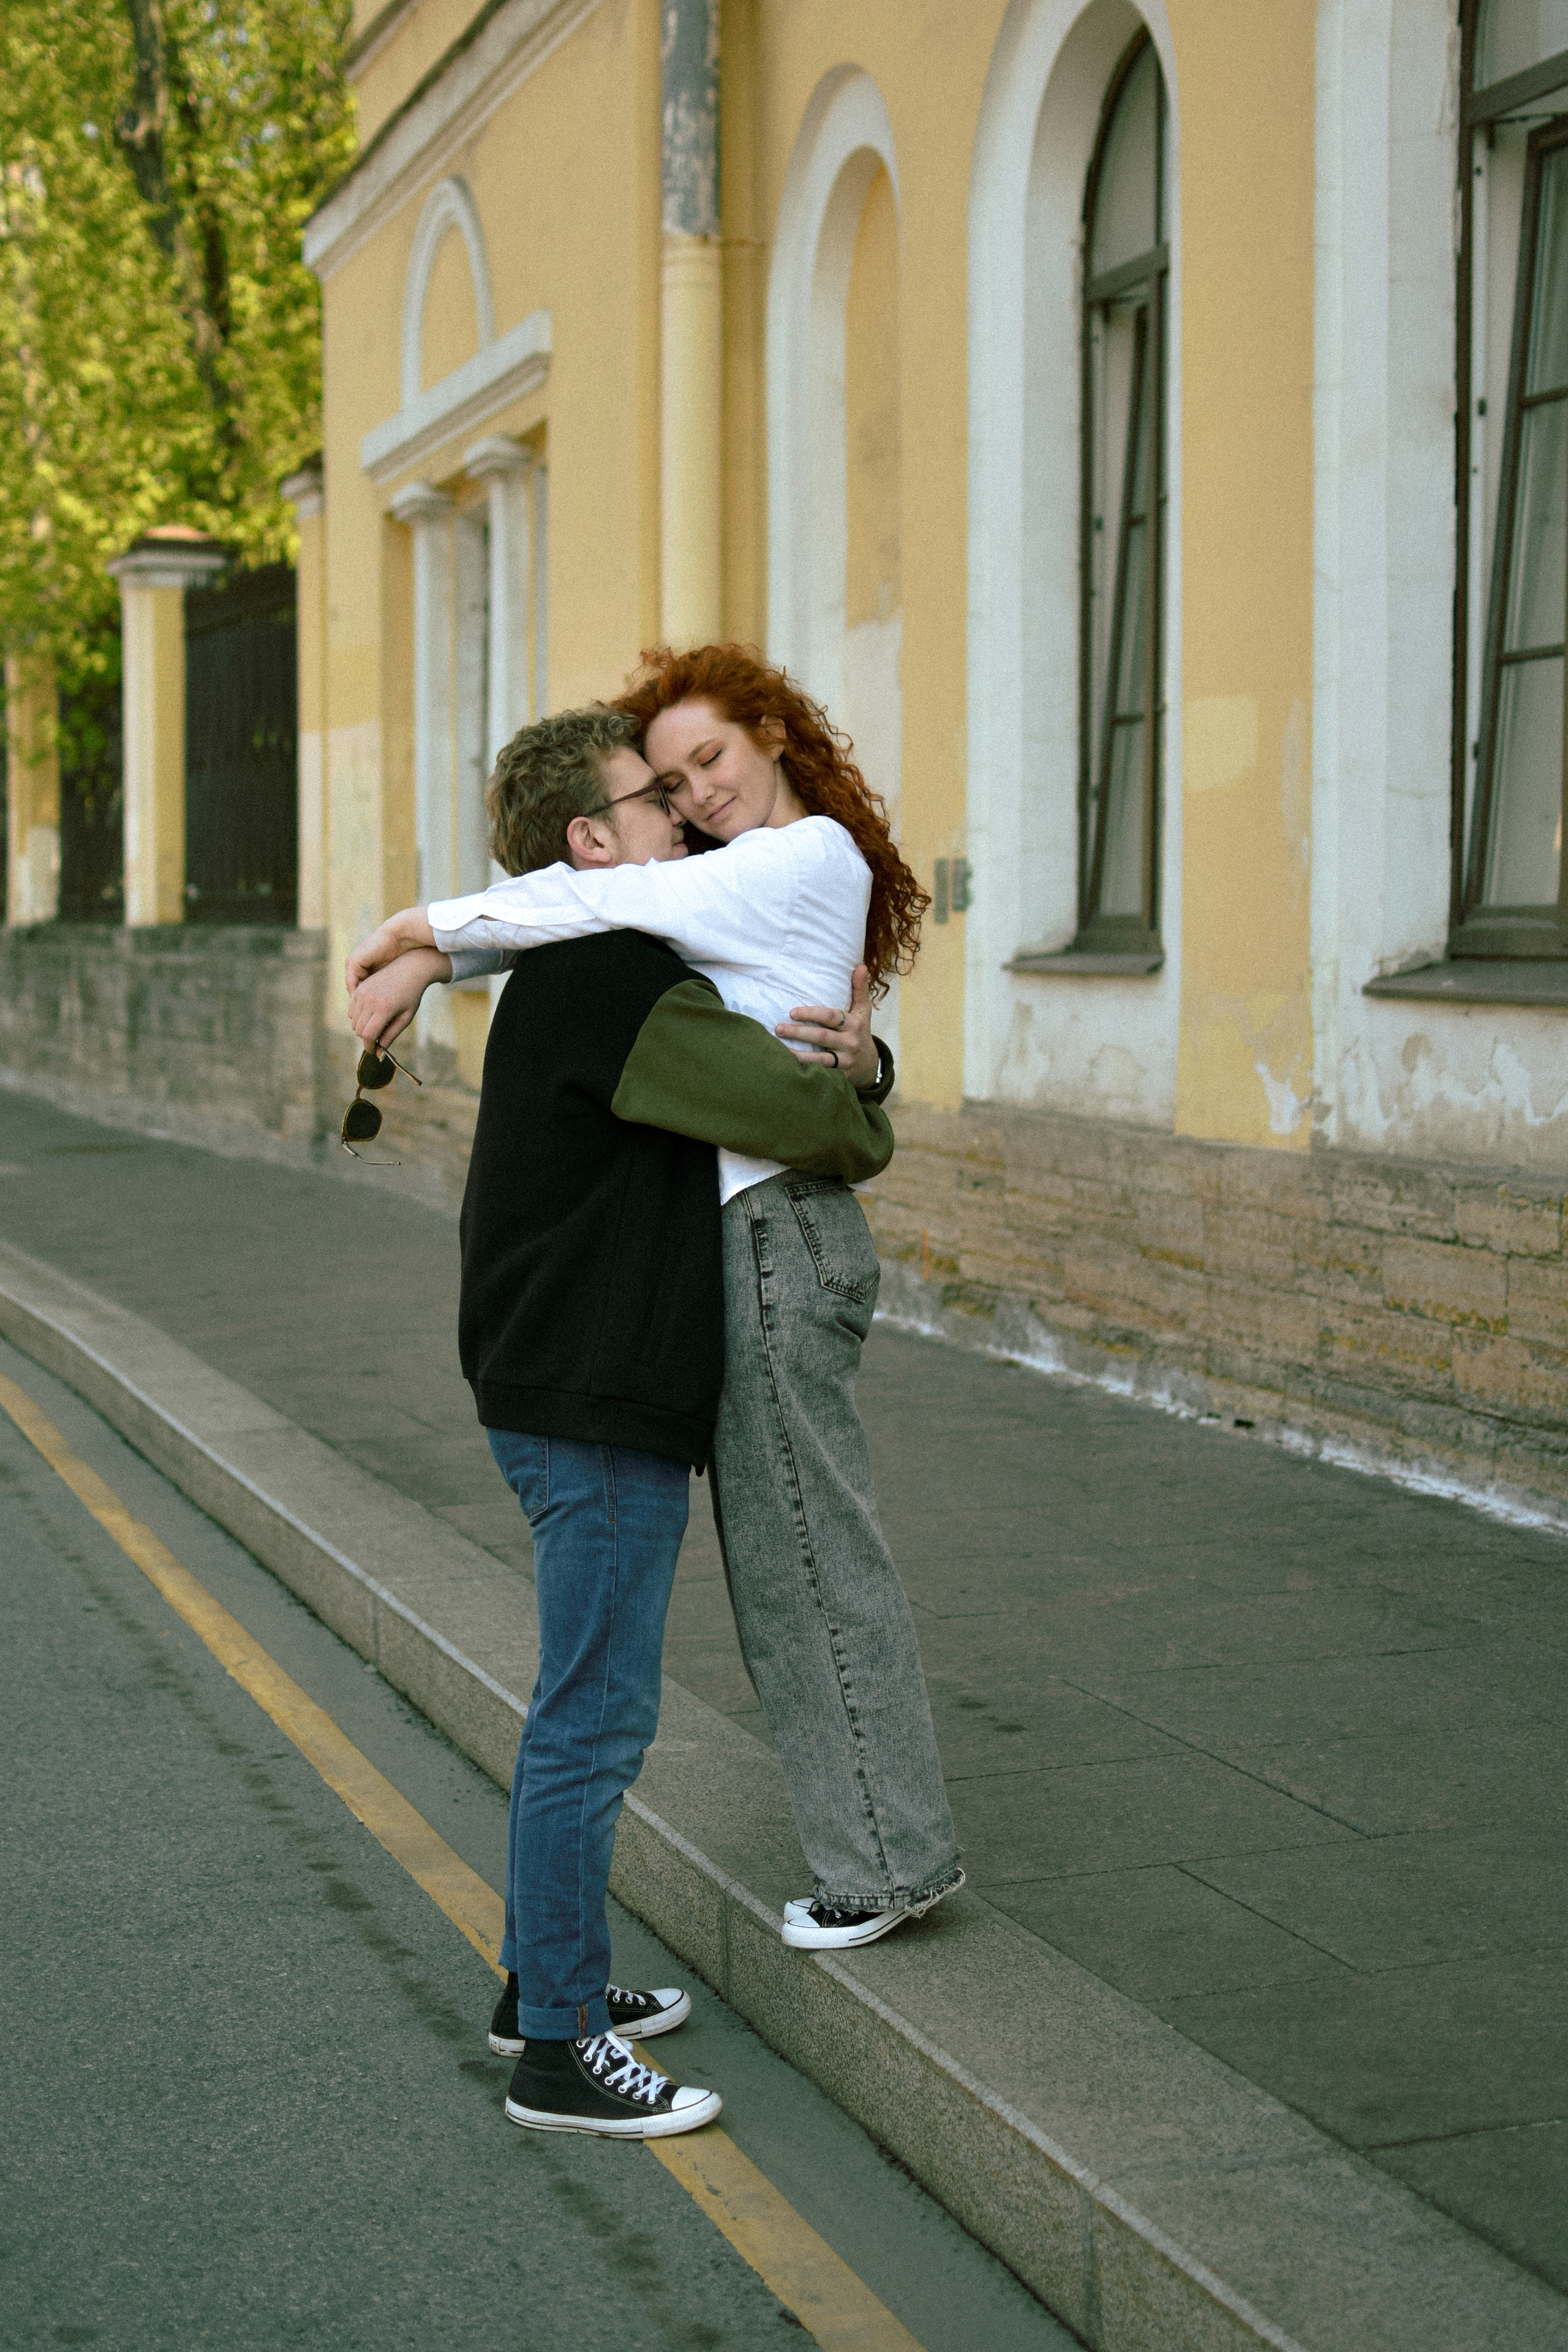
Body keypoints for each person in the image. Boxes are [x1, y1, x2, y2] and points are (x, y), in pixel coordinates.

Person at [349, 646, 962, 1956]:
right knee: (793, 1552)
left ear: (775, 737)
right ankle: (880, 1845)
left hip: (777, 1230)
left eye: (709, 763)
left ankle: (888, 1859)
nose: (689, 800)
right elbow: (585, 910)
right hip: (759, 1231)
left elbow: (581, 908)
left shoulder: (790, 859)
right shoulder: (695, 899)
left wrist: (416, 944)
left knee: (803, 1553)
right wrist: (435, 960)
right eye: (668, 784)